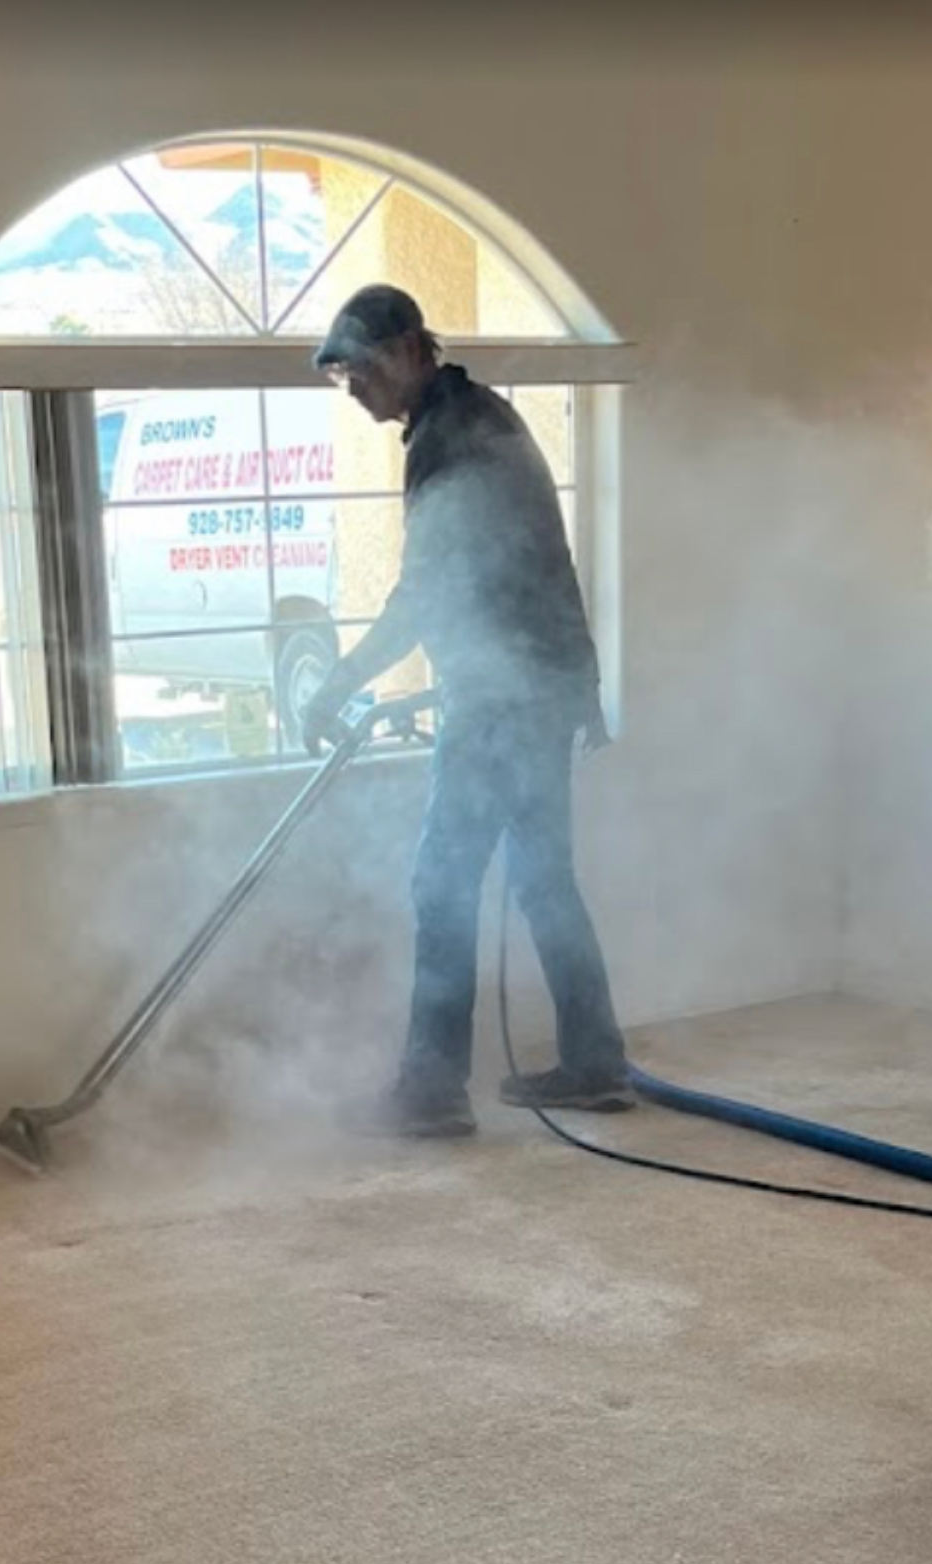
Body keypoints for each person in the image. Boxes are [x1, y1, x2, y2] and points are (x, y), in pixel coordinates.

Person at [305, 283, 633, 1138]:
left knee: (442, 882)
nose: (358, 393)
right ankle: (596, 1060)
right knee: (542, 879)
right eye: (346, 381)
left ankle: (432, 1090)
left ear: (413, 348)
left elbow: (425, 591)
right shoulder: (478, 418)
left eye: (364, 373)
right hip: (540, 688)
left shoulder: (453, 437)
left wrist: (342, 680)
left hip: (501, 700)